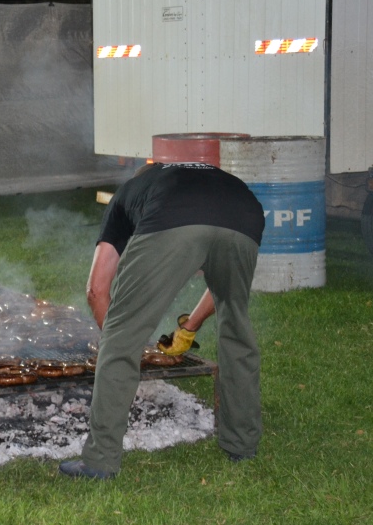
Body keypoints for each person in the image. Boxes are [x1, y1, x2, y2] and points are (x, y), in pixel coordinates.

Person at [59, 161, 264, 479]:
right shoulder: (194, 177)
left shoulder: (127, 195)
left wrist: (123, 345)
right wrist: (189, 327)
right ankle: (242, 445)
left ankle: (99, 460)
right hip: (245, 213)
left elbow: (97, 291)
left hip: (174, 216)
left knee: (121, 331)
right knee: (236, 326)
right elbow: (219, 288)